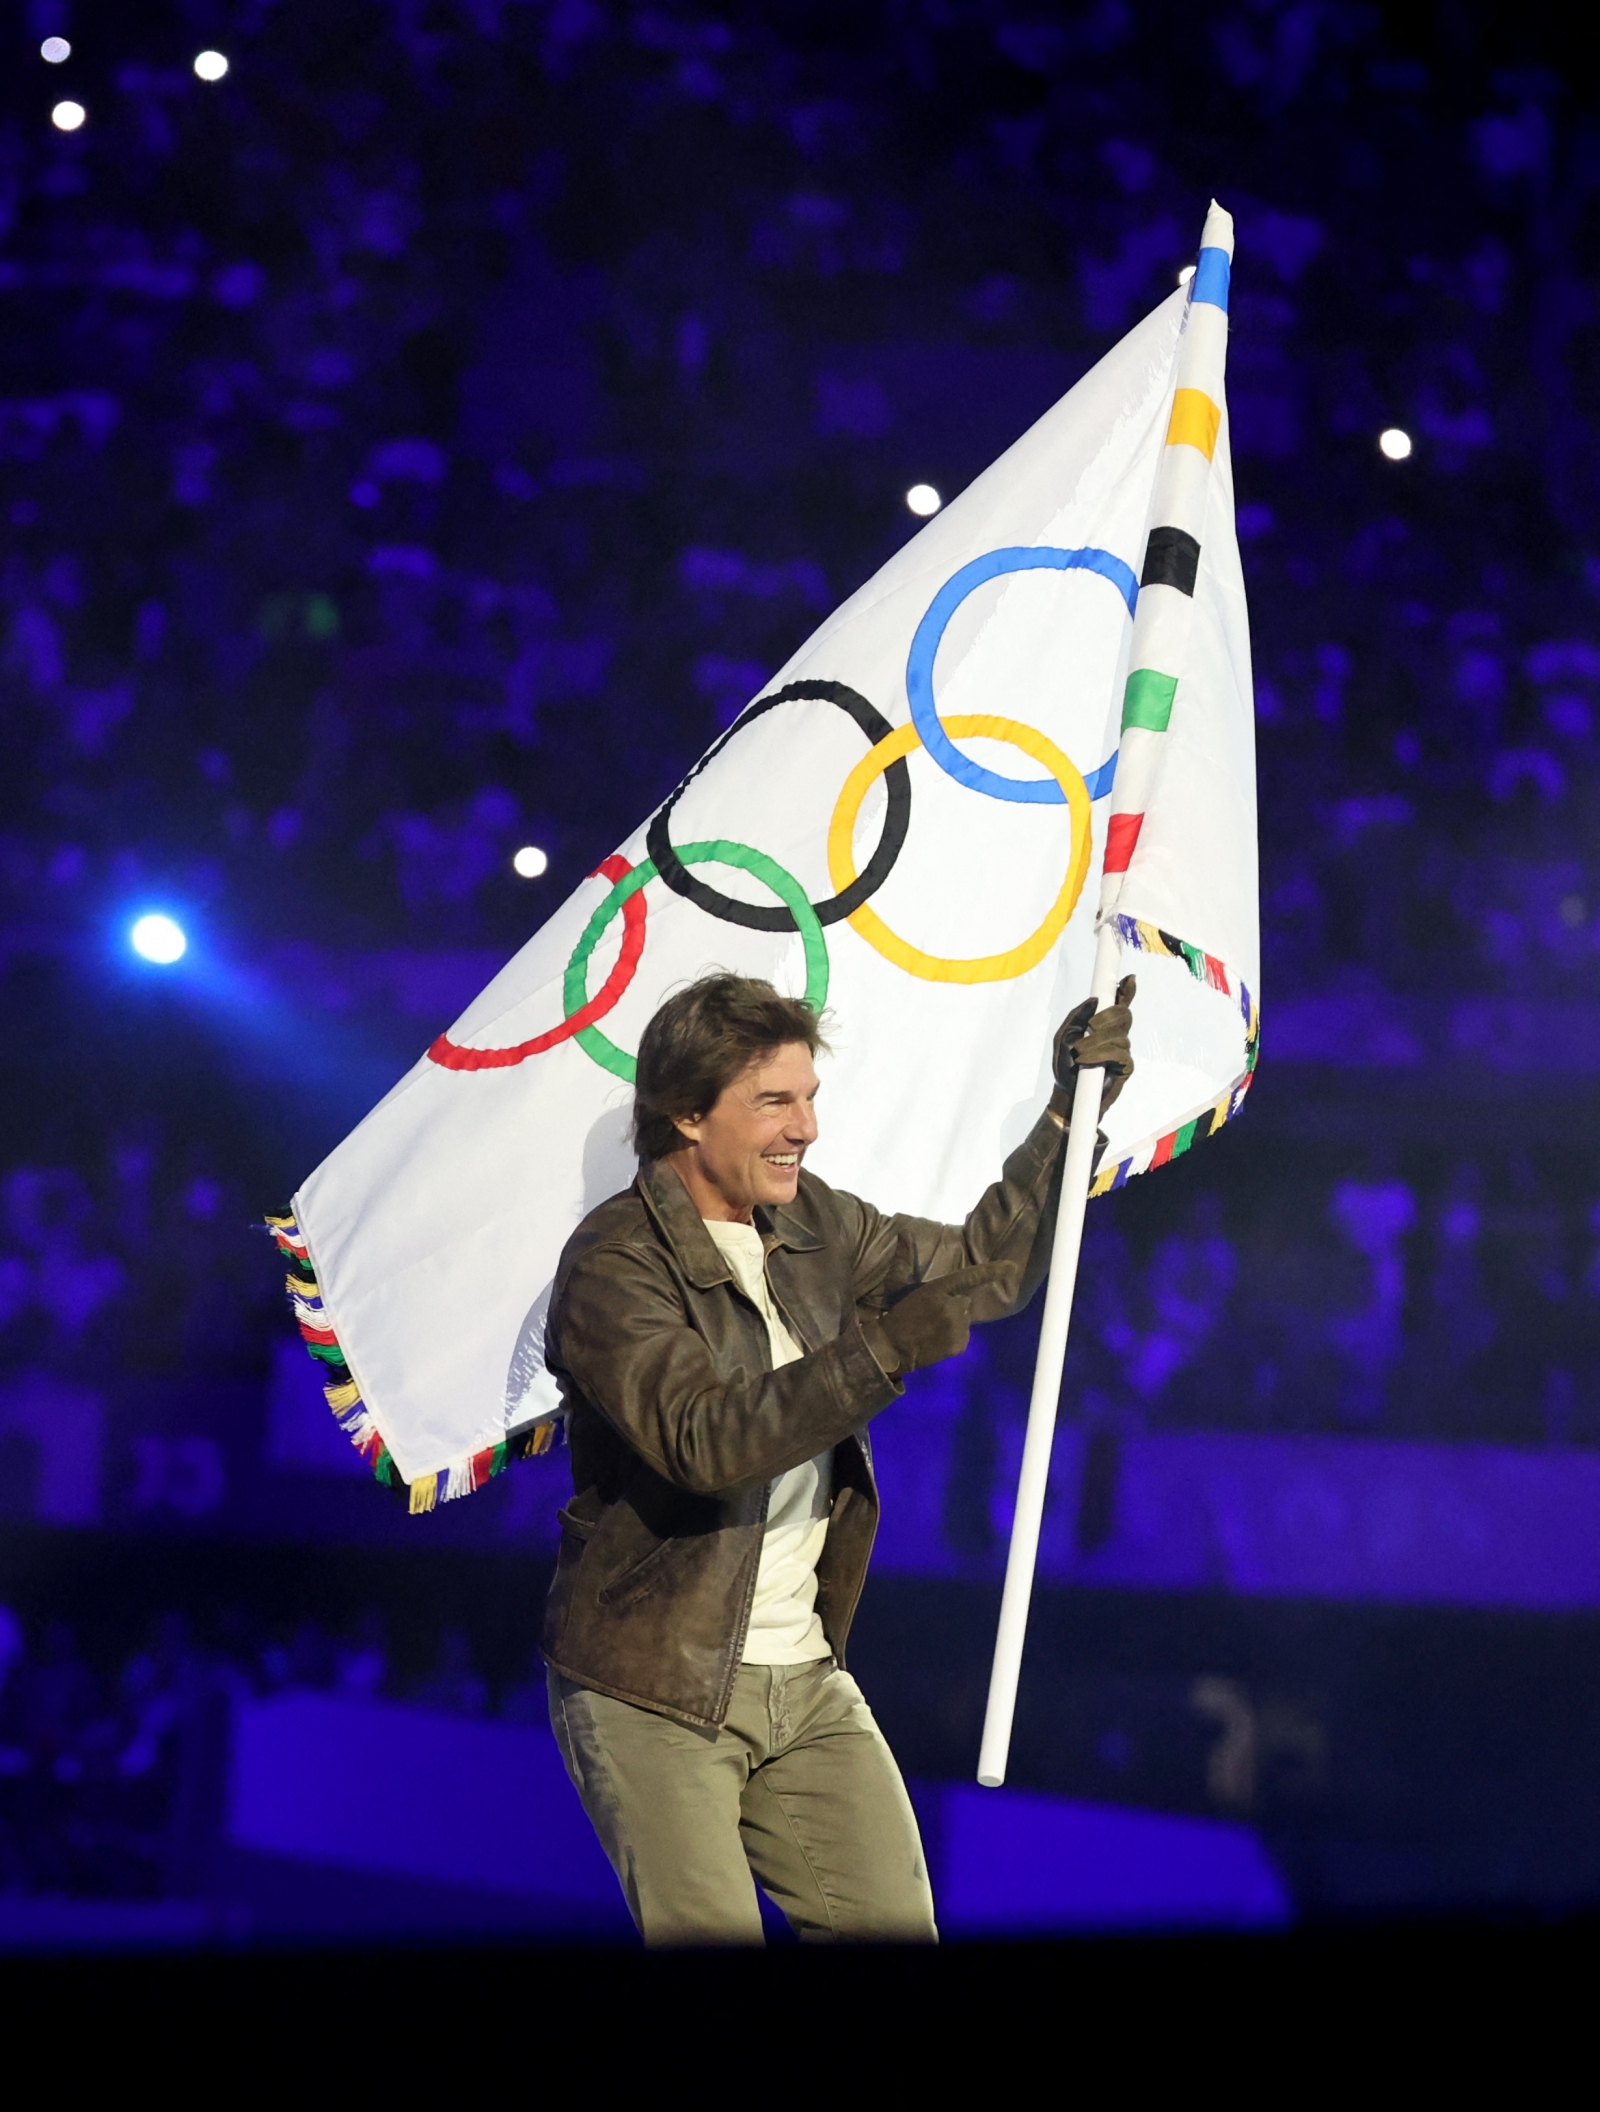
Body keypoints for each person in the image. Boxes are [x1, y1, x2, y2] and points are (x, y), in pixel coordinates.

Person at [542, 969, 1134, 1945]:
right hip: (654, 1685)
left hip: (805, 1677)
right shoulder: (615, 1265)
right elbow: (706, 1442)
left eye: (809, 1098)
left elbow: (985, 1270)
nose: (806, 1127)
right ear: (688, 1114)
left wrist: (1070, 1113)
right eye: (775, 1100)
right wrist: (883, 1348)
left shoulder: (814, 1223)